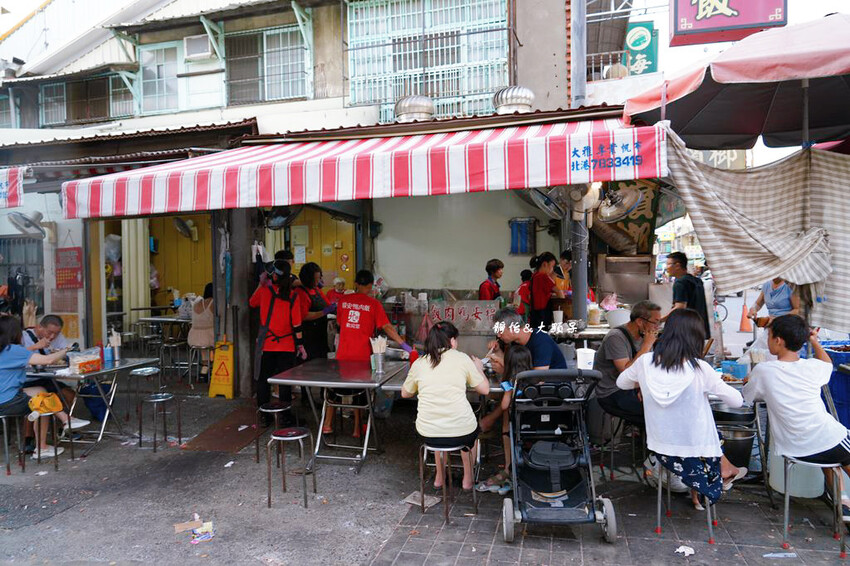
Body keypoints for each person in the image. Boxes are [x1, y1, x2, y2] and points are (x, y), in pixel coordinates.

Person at [617, 309, 746, 510]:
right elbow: (737, 401)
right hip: (697, 451)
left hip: (662, 449)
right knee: (710, 432)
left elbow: (622, 383)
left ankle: (720, 474)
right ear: (695, 338)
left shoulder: (645, 363)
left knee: (702, 432)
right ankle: (723, 473)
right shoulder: (701, 368)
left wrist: (644, 383)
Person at [743, 315, 850, 520]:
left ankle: (842, 502)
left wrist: (751, 379)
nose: (767, 340)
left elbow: (749, 396)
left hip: (792, 448)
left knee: (833, 449)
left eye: (769, 335)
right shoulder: (813, 367)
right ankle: (843, 501)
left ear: (778, 340)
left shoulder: (764, 371)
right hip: (823, 440)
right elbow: (827, 362)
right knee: (838, 442)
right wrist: (814, 340)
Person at [477, 307, 567, 492]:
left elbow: (536, 378)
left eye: (500, 331)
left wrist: (505, 372)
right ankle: (510, 468)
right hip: (531, 392)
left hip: (550, 396)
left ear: (512, 328)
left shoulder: (540, 340)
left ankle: (512, 468)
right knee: (506, 409)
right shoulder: (516, 343)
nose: (499, 335)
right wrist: (499, 352)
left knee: (507, 407)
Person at [401, 322, 491, 490]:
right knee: (469, 435)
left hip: (429, 433)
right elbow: (484, 389)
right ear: (452, 341)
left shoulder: (420, 363)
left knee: (438, 427)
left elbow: (405, 394)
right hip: (461, 431)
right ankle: (467, 480)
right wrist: (479, 369)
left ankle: (439, 478)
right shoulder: (462, 358)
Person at [329, 270, 411, 436]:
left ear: (356, 283)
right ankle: (357, 428)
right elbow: (387, 327)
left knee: (334, 391)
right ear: (370, 286)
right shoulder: (373, 304)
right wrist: (404, 345)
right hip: (362, 357)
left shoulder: (343, 301)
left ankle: (327, 424)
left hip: (342, 355)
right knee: (362, 391)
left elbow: (339, 322)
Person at [0, 316, 89, 459]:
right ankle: (42, 447)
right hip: (7, 402)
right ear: (15, 334)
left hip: (6, 396)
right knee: (42, 404)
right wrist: (67, 349)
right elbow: (48, 360)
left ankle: (66, 420)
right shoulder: (13, 350)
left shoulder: (4, 350)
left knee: (41, 391)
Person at [249, 259, 307, 421]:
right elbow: (297, 323)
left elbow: (252, 303)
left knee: (263, 380)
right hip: (287, 344)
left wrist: (261, 285)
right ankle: (285, 416)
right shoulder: (293, 295)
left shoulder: (264, 291)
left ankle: (264, 416)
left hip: (267, 344)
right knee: (284, 382)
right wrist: (300, 345)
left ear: (274, 276)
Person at [594, 300, 662, 428]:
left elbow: (647, 368)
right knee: (655, 413)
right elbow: (626, 373)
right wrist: (647, 346)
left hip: (633, 388)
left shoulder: (644, 336)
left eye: (659, 322)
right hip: (612, 392)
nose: (657, 327)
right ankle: (652, 445)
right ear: (640, 322)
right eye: (655, 322)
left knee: (665, 406)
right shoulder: (616, 337)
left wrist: (644, 387)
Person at [21, 315, 75, 408]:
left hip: (45, 378)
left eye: (56, 333)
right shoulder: (23, 337)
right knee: (46, 398)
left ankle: (62, 420)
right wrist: (35, 346)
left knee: (69, 394)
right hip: (26, 380)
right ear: (39, 327)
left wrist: (62, 355)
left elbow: (66, 353)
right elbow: (15, 356)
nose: (52, 336)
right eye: (49, 332)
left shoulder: (58, 337)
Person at [663, 251, 710, 337]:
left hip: (687, 330)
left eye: (668, 264)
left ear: (677, 265)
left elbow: (680, 307)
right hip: (700, 327)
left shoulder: (680, 283)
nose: (666, 268)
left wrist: (661, 320)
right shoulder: (696, 281)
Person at [295, 262, 334, 361]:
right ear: (307, 278)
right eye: (315, 279)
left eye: (319, 278)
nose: (318, 281)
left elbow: (327, 304)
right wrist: (324, 312)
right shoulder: (300, 292)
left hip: (320, 333)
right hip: (308, 335)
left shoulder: (316, 289)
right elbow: (304, 316)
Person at [528, 252, 565, 330]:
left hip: (535, 315)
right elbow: (558, 292)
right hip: (542, 315)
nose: (552, 270)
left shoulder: (534, 276)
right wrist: (564, 305)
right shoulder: (542, 276)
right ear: (545, 264)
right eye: (552, 267)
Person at [187, 283, 215, 379]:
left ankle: (205, 367)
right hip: (209, 338)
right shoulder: (213, 302)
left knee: (204, 345)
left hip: (193, 338)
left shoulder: (196, 302)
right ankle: (212, 367)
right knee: (216, 339)